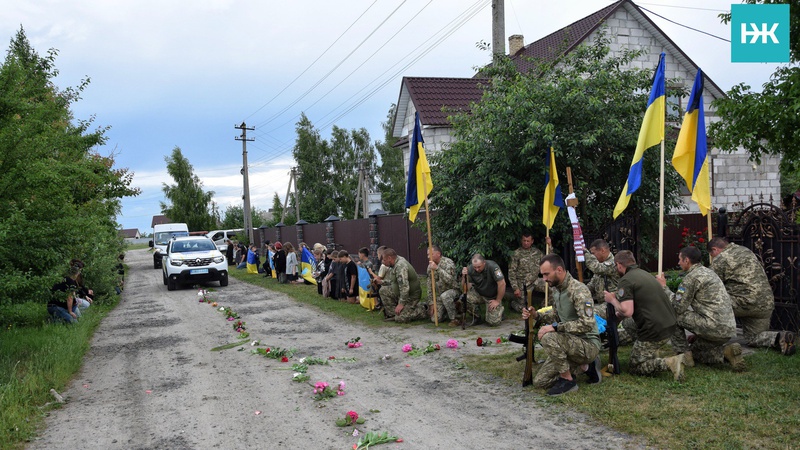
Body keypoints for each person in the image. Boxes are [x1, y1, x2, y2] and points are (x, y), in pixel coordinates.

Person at [521, 254, 602, 395]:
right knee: (540, 382)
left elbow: (587, 324)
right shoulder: (557, 289)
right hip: (568, 343)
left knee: (548, 337)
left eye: (546, 274)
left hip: (587, 344)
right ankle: (586, 368)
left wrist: (555, 327)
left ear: (559, 270)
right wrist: (536, 315)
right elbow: (556, 315)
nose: (544, 279)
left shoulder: (578, 290)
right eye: (543, 275)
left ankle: (568, 380)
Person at [656, 246, 743, 371]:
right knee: (696, 352)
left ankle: (683, 354)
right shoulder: (709, 272)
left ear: (686, 260)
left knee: (671, 314)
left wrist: (664, 287)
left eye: (680, 259)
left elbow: (677, 307)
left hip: (711, 326)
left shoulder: (692, 278)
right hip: (727, 328)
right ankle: (725, 353)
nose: (678, 262)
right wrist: (698, 334)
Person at [603, 250, 685, 380]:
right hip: (669, 324)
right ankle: (648, 350)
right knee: (627, 323)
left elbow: (627, 311)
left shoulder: (626, 280)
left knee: (635, 366)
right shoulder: (645, 274)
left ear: (619, 265)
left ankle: (669, 363)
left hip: (654, 329)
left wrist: (612, 300)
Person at [708, 237, 795, 356]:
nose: (713, 257)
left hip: (743, 303)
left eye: (711, 254)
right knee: (753, 337)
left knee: (708, 304)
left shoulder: (721, 259)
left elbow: (709, 283)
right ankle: (779, 337)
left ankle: (707, 340)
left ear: (715, 249)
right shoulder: (746, 251)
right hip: (765, 304)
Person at [461, 254, 514, 327]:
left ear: (484, 263)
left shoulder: (492, 267)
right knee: (464, 298)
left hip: (492, 297)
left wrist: (498, 300)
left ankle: (500, 312)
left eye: (479, 267)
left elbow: (502, 284)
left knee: (493, 322)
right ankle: (476, 317)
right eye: (475, 267)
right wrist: (464, 277)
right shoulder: (470, 269)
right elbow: (465, 289)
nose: (477, 269)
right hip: (479, 294)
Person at [380, 248, 425, 322]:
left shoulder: (400, 266)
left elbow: (404, 287)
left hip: (411, 296)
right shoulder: (395, 263)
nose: (383, 262)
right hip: (402, 294)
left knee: (401, 318)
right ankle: (393, 314)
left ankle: (423, 309)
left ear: (389, 258)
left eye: (384, 260)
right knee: (383, 290)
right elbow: (394, 281)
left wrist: (401, 303)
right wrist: (381, 282)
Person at [508, 231, 547, 312]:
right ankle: (513, 304)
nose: (526, 243)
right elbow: (512, 272)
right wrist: (515, 288)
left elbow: (548, 260)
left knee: (551, 288)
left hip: (535, 280)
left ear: (532, 241)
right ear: (521, 241)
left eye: (528, 241)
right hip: (523, 284)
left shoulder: (537, 252)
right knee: (524, 309)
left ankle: (542, 308)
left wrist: (549, 245)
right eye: (524, 240)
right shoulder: (516, 254)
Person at [426, 245, 461, 326]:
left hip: (452, 291)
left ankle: (455, 318)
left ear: (438, 254)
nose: (428, 257)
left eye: (431, 254)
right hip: (439, 295)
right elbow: (429, 285)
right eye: (427, 254)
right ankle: (447, 311)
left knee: (445, 296)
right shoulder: (430, 267)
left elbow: (450, 280)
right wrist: (431, 303)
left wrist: (437, 269)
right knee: (435, 319)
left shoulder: (448, 263)